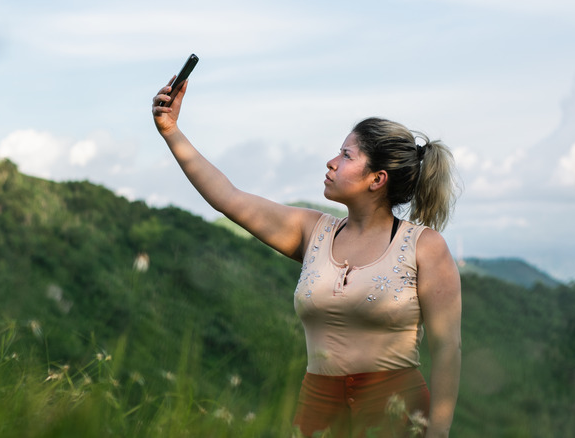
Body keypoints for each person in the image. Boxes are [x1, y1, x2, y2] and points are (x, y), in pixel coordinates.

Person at [152, 76, 461, 438]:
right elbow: (228, 196)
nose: (331, 163)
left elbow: (447, 348)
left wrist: (437, 433)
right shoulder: (312, 230)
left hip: (395, 412)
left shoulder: (424, 246)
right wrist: (171, 130)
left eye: (346, 155)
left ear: (376, 179)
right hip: (317, 411)